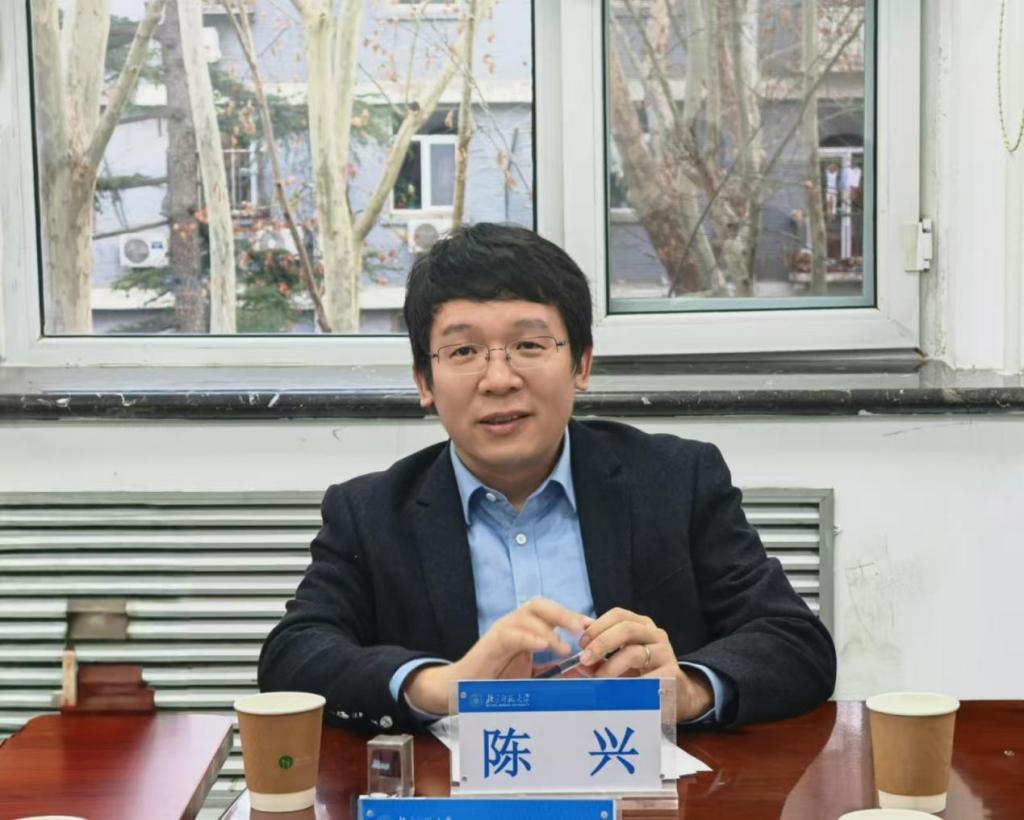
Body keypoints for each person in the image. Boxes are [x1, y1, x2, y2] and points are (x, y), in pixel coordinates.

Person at [258, 223, 836, 734]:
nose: (498, 379)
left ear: (581, 363)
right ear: (424, 382)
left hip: (641, 788)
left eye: (529, 345)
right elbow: (293, 657)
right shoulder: (371, 511)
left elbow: (794, 642)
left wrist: (687, 691)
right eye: (463, 351)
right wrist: (443, 686)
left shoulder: (676, 480)